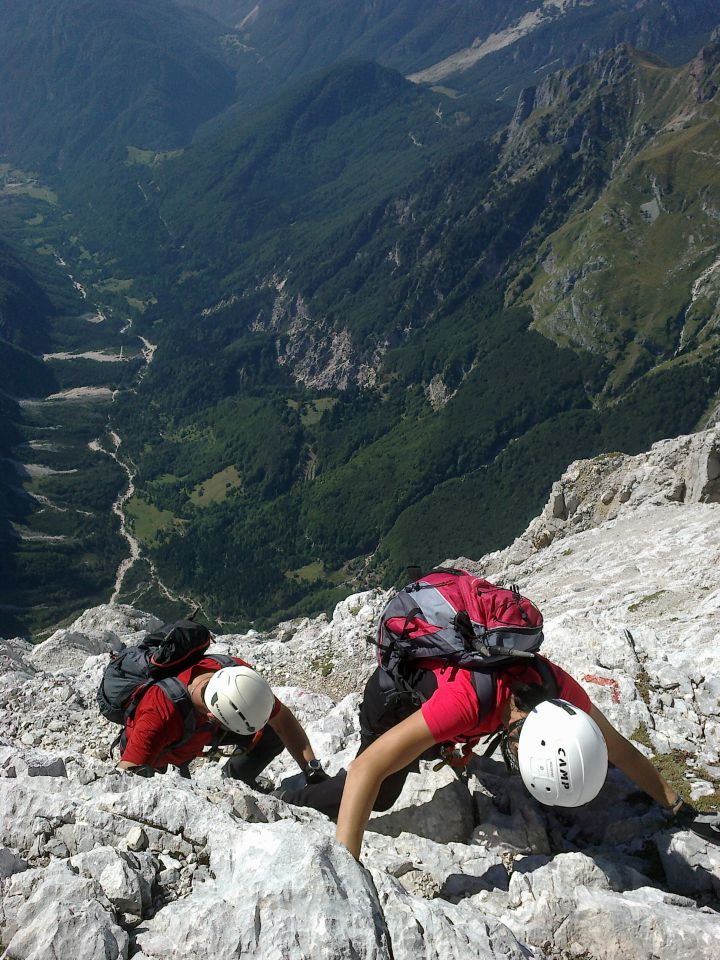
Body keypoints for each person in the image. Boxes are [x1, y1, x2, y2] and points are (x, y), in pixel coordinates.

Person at [277, 656, 718, 860]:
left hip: (442, 707)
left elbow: (617, 747)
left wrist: (674, 802)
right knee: (383, 793)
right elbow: (366, 768)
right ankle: (299, 797)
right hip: (394, 701)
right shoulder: (467, 705)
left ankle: (436, 745)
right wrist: (346, 871)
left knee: (428, 748)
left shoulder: (565, 696)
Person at [116, 656, 326, 789]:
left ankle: (233, 783)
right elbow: (127, 773)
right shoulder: (159, 714)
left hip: (191, 730)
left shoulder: (237, 678)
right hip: (161, 749)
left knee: (270, 735)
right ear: (212, 719)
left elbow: (283, 721)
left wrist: (312, 769)